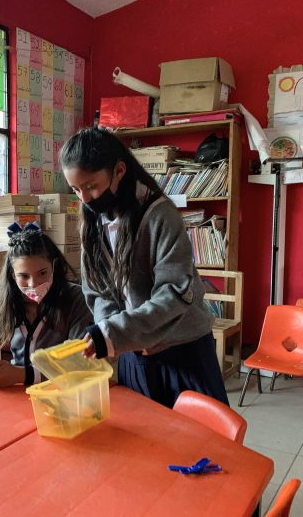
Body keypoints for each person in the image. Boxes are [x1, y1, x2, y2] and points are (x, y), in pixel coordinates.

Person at [59, 126, 228, 408]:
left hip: (182, 350)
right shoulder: (92, 219)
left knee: (197, 434)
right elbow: (96, 290)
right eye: (76, 189)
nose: (84, 199)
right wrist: (111, 329)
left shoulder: (160, 215)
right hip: (133, 352)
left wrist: (115, 332)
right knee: (143, 430)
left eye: (91, 186)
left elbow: (173, 293)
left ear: (119, 171)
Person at [0, 222, 93, 387]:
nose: (33, 284)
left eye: (42, 273)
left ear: (54, 266)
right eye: (23, 276)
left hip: (61, 392)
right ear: (12, 275)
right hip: (18, 393)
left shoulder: (76, 299)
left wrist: (21, 375)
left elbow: (80, 362)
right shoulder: (4, 302)